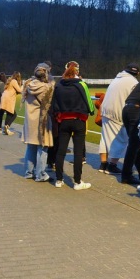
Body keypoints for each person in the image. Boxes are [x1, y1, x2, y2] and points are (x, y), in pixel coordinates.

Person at [51, 61, 95, 190]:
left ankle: (59, 180)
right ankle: (77, 181)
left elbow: (54, 104)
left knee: (61, 150)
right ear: (77, 72)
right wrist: (90, 111)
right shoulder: (82, 85)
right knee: (78, 152)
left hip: (63, 120)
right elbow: (89, 104)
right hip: (78, 120)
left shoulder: (59, 85)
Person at [98, 63, 140, 174]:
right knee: (120, 140)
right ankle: (112, 165)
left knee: (105, 138)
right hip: (118, 112)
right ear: (137, 73)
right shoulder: (134, 82)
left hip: (106, 111)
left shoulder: (116, 78)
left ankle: (103, 164)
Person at [22, 65, 54, 182]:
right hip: (42, 120)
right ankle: (40, 174)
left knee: (31, 146)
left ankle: (29, 172)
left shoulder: (28, 84)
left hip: (30, 119)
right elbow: (49, 104)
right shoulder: (46, 87)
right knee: (43, 147)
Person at [120, 72, 140, 186]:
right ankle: (126, 175)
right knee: (134, 145)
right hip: (135, 110)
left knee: (136, 145)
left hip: (128, 108)